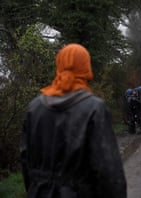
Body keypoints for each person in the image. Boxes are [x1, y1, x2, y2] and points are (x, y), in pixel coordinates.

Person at [20, 43, 127, 198]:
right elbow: (108, 170)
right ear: (85, 67)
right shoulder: (95, 108)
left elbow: (25, 161)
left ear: (59, 65)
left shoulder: (34, 107)